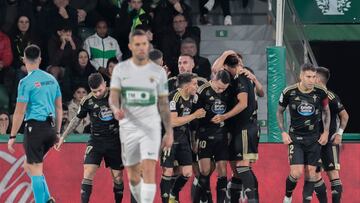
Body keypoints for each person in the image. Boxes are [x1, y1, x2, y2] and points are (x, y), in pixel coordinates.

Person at [109, 29, 173, 203]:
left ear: (148, 45)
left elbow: (164, 104)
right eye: (137, 44)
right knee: (133, 175)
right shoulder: (121, 70)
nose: (141, 48)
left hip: (150, 127)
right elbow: (113, 97)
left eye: (144, 44)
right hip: (128, 127)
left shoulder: (158, 72)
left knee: (149, 168)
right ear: (130, 46)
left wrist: (169, 131)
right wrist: (115, 109)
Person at [56, 73, 124, 203]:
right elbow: (76, 119)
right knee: (87, 172)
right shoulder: (87, 100)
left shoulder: (117, 95)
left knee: (118, 178)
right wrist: (63, 137)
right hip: (96, 140)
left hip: (115, 141)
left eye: (100, 90)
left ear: (105, 83)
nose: (97, 94)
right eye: (94, 91)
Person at [7, 44, 62, 203]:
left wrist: (12, 135)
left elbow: (19, 112)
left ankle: (42, 201)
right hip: (51, 129)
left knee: (36, 170)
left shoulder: (25, 82)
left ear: (24, 59)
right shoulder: (52, 79)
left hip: (35, 129)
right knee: (28, 166)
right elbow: (59, 108)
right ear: (40, 59)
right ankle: (47, 200)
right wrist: (57, 133)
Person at [276, 63, 331, 203]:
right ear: (301, 76)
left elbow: (326, 112)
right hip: (295, 137)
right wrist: (283, 132)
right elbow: (279, 112)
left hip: (314, 138)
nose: (312, 80)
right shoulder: (289, 91)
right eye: (308, 77)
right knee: (296, 172)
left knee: (311, 174)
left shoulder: (321, 91)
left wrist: (325, 132)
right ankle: (288, 195)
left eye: (314, 77)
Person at [211, 54, 259, 203]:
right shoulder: (229, 80)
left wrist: (224, 117)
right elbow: (215, 70)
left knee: (242, 167)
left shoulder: (242, 78)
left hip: (245, 127)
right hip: (234, 129)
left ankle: (253, 200)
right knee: (237, 172)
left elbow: (243, 103)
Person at [160, 72, 206, 203]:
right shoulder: (173, 98)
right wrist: (194, 115)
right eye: (194, 84)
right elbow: (173, 122)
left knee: (187, 173)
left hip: (183, 138)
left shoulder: (192, 97)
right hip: (169, 138)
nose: (197, 87)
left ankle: (173, 194)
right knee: (168, 171)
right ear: (186, 86)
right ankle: (166, 200)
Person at [192, 70, 231, 203]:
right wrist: (195, 137)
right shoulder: (202, 91)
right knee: (205, 171)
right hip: (205, 134)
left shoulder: (228, 91)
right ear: (213, 79)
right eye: (218, 87)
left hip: (222, 135)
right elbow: (194, 116)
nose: (220, 90)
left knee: (223, 171)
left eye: (223, 88)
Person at [312, 66, 349, 203]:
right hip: (313, 142)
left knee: (332, 173)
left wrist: (339, 134)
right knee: (314, 174)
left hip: (328, 142)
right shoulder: (309, 95)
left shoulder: (331, 96)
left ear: (317, 79)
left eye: (312, 76)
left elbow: (344, 116)